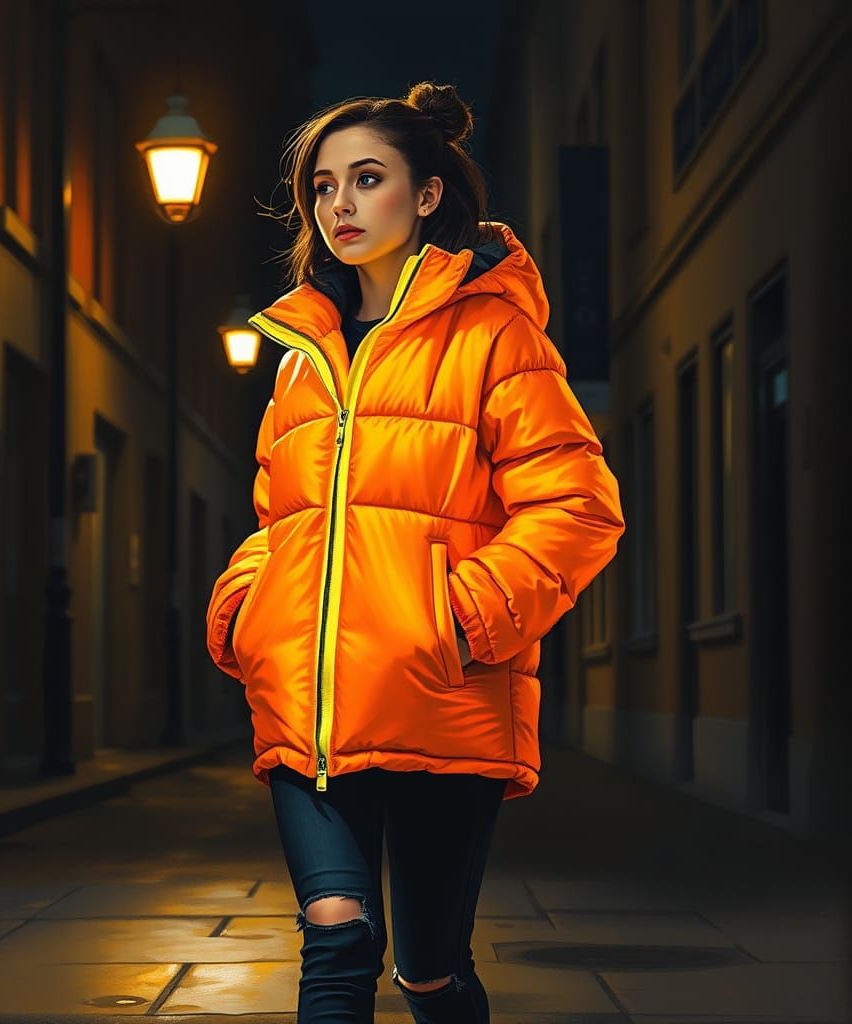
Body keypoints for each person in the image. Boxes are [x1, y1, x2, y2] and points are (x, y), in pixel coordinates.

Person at [206, 80, 626, 1024]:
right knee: (338, 936)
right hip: (310, 709)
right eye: (322, 186)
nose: (340, 205)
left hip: (440, 695)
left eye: (367, 179)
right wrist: (249, 605)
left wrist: (460, 617)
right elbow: (280, 516)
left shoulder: (494, 333)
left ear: (427, 194)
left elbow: (579, 507)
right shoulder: (300, 354)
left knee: (432, 971)